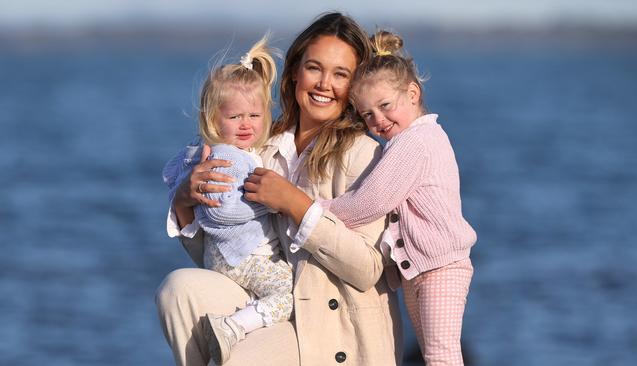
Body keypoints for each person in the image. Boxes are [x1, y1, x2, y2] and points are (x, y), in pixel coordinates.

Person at [156, 12, 403, 366]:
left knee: (238, 359)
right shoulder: (260, 144)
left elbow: (368, 269)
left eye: (340, 74)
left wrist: (297, 205)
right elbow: (224, 256)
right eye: (314, 68)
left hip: (328, 328)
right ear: (294, 72)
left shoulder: (365, 154)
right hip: (266, 302)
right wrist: (185, 202)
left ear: (355, 87)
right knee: (177, 290)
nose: (323, 84)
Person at [314, 31, 477, 365]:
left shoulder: (416, 141)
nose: (378, 121)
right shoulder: (408, 140)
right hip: (421, 269)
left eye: (385, 106)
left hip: (442, 266)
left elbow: (369, 203)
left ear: (413, 93)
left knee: (441, 356)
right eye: (367, 114)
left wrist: (311, 210)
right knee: (435, 355)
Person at [161, 35, 293, 364]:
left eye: (254, 115)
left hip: (226, 259)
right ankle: (234, 325)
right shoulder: (231, 159)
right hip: (245, 257)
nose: (246, 124)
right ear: (213, 119)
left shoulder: (222, 153)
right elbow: (223, 211)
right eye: (235, 118)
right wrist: (276, 201)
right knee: (293, 293)